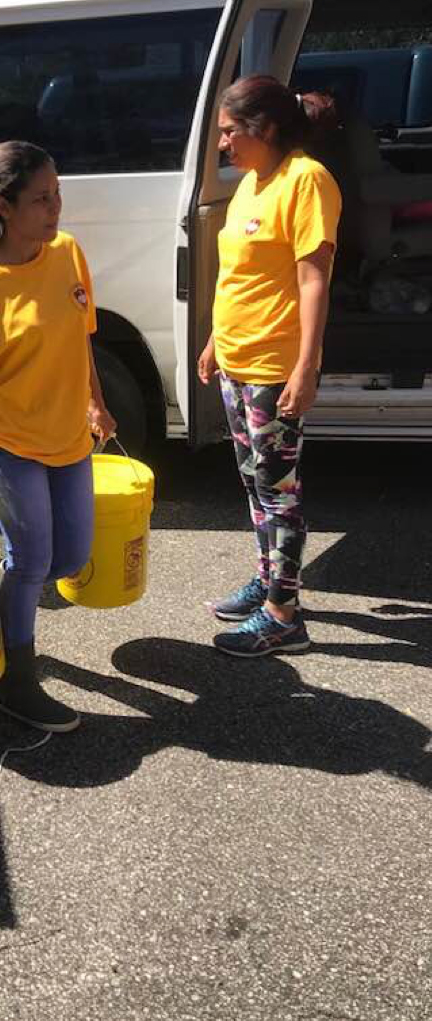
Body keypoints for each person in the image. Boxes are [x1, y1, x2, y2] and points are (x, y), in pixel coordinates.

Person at [0, 141, 115, 732]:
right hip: (5, 443)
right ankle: (16, 681)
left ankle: (3, 592)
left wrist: (98, 403)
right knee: (34, 558)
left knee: (71, 557)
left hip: (69, 438)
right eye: (41, 199)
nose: (56, 208)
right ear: (4, 208)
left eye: (58, 194)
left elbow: (82, 335)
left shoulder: (67, 255)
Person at [198, 75, 342, 658]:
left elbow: (314, 278)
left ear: (266, 128)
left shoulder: (305, 180)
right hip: (237, 359)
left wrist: (306, 367)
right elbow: (242, 275)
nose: (223, 144)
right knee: (257, 486)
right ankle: (269, 579)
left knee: (279, 491)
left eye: (230, 132)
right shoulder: (254, 182)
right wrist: (213, 340)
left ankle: (284, 616)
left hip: (273, 365)